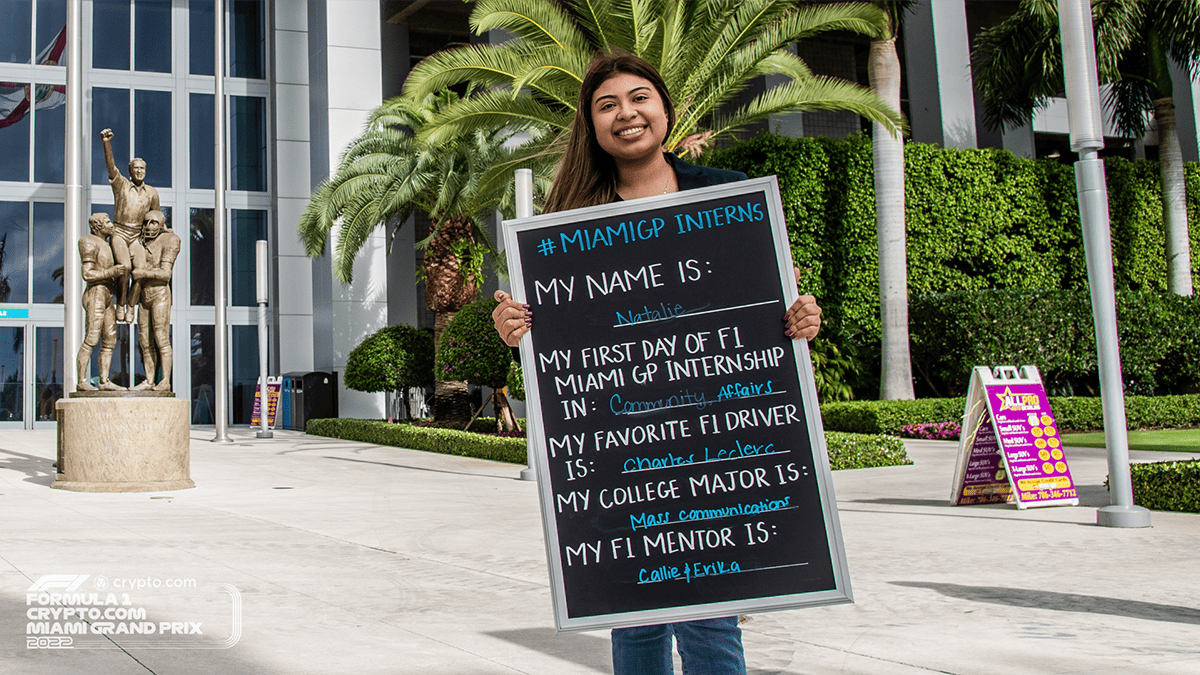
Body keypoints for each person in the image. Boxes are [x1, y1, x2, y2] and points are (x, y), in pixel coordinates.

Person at [491, 51, 822, 675]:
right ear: (592, 126)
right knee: (634, 617)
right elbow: (553, 335)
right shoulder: (569, 224)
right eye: (606, 105)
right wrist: (516, 331)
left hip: (712, 439)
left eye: (639, 97)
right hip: (620, 446)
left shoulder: (728, 197)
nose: (626, 114)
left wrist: (799, 316)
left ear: (665, 109)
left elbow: (767, 305)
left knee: (711, 617)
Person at [101, 128, 161, 323]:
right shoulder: (121, 185)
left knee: (140, 272)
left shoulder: (151, 192)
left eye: (142, 169)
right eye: (135, 169)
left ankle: (131, 306)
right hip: (119, 232)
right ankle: (120, 303)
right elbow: (111, 166)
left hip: (136, 237)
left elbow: (157, 217)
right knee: (125, 267)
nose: (139, 172)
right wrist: (106, 143)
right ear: (130, 171)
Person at [75, 213, 127, 391]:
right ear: (97, 226)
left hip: (107, 293)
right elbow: (87, 274)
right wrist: (111, 272)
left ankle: (104, 381)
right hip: (95, 291)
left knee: (110, 340)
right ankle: (82, 381)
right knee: (91, 338)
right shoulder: (88, 241)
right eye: (106, 222)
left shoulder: (108, 244)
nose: (111, 225)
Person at [130, 210, 179, 392]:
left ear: (161, 225)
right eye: (146, 222)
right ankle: (149, 380)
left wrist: (144, 273)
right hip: (144, 294)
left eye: (153, 223)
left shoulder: (170, 240)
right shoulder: (141, 242)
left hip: (159, 293)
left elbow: (166, 274)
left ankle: (165, 380)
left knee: (161, 338)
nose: (149, 226)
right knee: (144, 340)